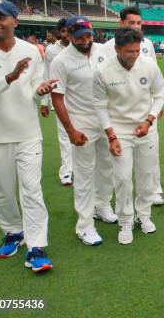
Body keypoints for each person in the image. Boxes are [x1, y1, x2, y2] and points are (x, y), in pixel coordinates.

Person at [0, 0, 56, 272]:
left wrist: (40, 92)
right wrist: (8, 78)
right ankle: (13, 233)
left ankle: (36, 246)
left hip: (27, 132)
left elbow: (33, 86)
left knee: (32, 190)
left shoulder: (31, 50)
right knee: (3, 191)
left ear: (15, 21)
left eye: (1, 17)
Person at [93, 27, 164, 244]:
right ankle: (125, 221)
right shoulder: (103, 71)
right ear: (117, 49)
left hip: (146, 130)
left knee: (146, 177)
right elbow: (99, 105)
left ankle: (143, 216)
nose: (134, 56)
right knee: (123, 178)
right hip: (119, 132)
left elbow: (160, 94)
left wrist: (149, 120)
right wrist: (111, 136)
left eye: (137, 51)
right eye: (129, 52)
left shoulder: (148, 65)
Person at [50, 16, 117, 246]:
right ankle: (85, 225)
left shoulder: (103, 50)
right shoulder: (61, 60)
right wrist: (70, 129)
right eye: (80, 38)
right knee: (85, 174)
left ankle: (103, 205)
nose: (86, 41)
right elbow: (57, 98)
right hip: (82, 123)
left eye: (89, 35)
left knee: (107, 167)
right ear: (68, 35)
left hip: (105, 119)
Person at [102, 6, 164, 206]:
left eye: (139, 23)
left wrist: (155, 106)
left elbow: (153, 73)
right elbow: (103, 80)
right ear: (121, 24)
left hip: (145, 112)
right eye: (131, 23)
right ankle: (121, 203)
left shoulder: (147, 45)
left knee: (150, 154)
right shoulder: (107, 47)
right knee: (120, 165)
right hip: (119, 115)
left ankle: (154, 190)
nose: (136, 27)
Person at [40, 18, 73, 185]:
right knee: (64, 134)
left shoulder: (84, 46)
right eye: (64, 31)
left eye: (70, 30)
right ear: (60, 32)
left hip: (83, 99)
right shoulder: (51, 51)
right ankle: (67, 170)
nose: (67, 34)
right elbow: (46, 76)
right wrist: (44, 102)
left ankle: (83, 167)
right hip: (60, 98)